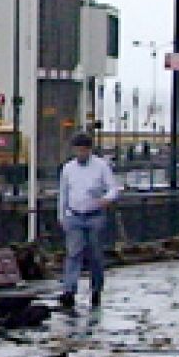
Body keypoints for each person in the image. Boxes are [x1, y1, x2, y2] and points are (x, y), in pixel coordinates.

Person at [57, 131, 121, 309]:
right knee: (73, 254)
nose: (80, 153)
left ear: (89, 150)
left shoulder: (101, 166)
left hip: (95, 216)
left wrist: (106, 199)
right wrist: (62, 215)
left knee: (95, 256)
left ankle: (96, 289)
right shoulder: (68, 169)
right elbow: (63, 193)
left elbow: (113, 188)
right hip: (74, 215)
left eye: (84, 150)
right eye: (78, 150)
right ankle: (69, 290)